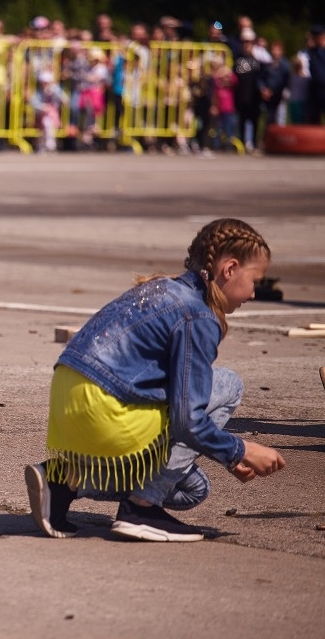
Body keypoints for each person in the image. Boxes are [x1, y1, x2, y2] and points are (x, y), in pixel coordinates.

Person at [25, 218, 285, 543]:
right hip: (105, 411)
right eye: (255, 282)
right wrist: (238, 450)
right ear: (230, 269)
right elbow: (189, 421)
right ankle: (142, 508)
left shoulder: (160, 287)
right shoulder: (198, 315)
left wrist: (221, 452)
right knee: (228, 384)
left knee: (192, 489)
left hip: (68, 401)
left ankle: (64, 482)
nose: (252, 293)